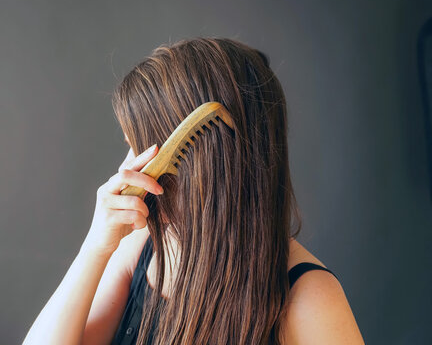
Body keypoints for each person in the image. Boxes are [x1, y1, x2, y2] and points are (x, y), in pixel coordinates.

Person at [22, 37, 365, 344]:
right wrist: (95, 247)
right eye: (129, 147)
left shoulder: (309, 299)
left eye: (142, 147)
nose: (128, 169)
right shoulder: (142, 248)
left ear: (201, 159)